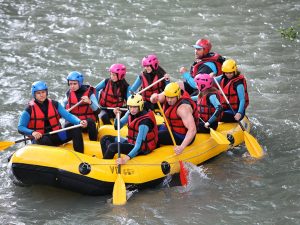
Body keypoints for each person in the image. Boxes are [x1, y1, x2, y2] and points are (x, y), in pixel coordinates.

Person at [18, 81, 88, 153]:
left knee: (75, 129)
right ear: (34, 94)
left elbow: (68, 115)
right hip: (40, 140)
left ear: (46, 92)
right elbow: (20, 127)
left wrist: (79, 121)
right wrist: (32, 133)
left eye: (43, 92)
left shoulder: (55, 104)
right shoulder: (29, 110)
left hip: (58, 136)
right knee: (44, 139)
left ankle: (80, 155)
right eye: (38, 93)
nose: (41, 95)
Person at [101, 94, 158, 165]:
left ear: (140, 106)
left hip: (142, 148)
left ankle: (105, 165)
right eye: (130, 107)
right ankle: (106, 162)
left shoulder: (144, 122)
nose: (132, 110)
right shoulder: (130, 113)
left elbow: (138, 146)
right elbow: (117, 127)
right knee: (105, 138)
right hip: (131, 142)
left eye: (135, 107)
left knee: (113, 147)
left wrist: (124, 160)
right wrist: (116, 116)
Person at [150, 82, 197, 155]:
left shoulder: (183, 108)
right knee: (150, 129)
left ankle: (153, 153)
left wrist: (181, 147)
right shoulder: (168, 94)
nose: (169, 100)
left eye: (172, 98)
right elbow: (154, 99)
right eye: (167, 97)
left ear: (178, 95)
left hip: (181, 136)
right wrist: (153, 97)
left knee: (155, 136)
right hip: (170, 128)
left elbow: (192, 129)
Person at [63, 71, 99, 141]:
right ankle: (62, 142)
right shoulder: (68, 93)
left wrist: (89, 102)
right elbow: (62, 107)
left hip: (86, 123)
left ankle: (94, 141)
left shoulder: (89, 93)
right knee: (67, 125)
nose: (72, 86)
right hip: (74, 121)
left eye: (74, 84)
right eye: (70, 84)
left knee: (91, 122)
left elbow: (98, 110)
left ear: (80, 83)